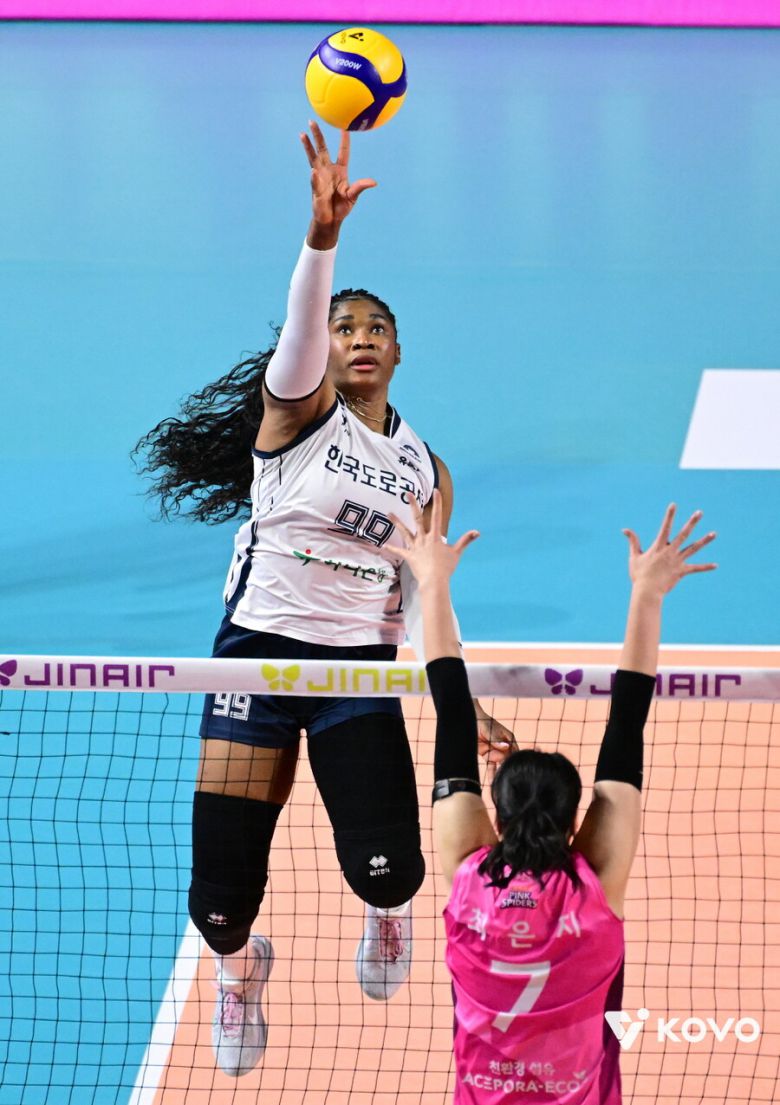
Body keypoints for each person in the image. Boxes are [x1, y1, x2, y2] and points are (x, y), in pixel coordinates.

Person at [133, 123, 514, 1078]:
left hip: (357, 669)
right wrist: (321, 236)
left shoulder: (425, 469)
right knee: (220, 896)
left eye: (374, 328)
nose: (358, 338)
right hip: (257, 656)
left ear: (398, 351)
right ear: (321, 351)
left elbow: (424, 588)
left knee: (391, 868)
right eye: (344, 328)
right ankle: (239, 972)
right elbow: (301, 325)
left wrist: (462, 694)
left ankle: (385, 918)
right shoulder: (296, 414)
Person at [386, 494, 717, 1104]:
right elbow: (626, 726)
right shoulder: (592, 892)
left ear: (495, 813)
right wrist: (647, 593)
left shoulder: (470, 882)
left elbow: (453, 711)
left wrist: (430, 583)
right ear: (575, 824)